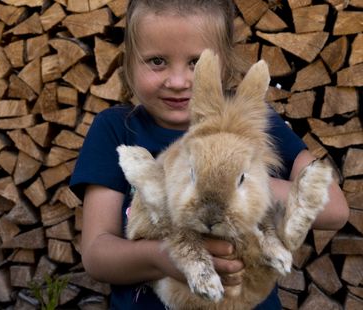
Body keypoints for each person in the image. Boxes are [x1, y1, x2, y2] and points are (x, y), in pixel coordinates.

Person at [69, 0, 349, 309]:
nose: (177, 82)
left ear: (225, 64)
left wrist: (239, 185)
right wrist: (163, 258)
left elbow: (334, 208)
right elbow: (97, 255)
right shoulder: (115, 130)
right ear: (129, 62)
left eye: (195, 63)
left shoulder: (251, 120)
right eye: (157, 61)